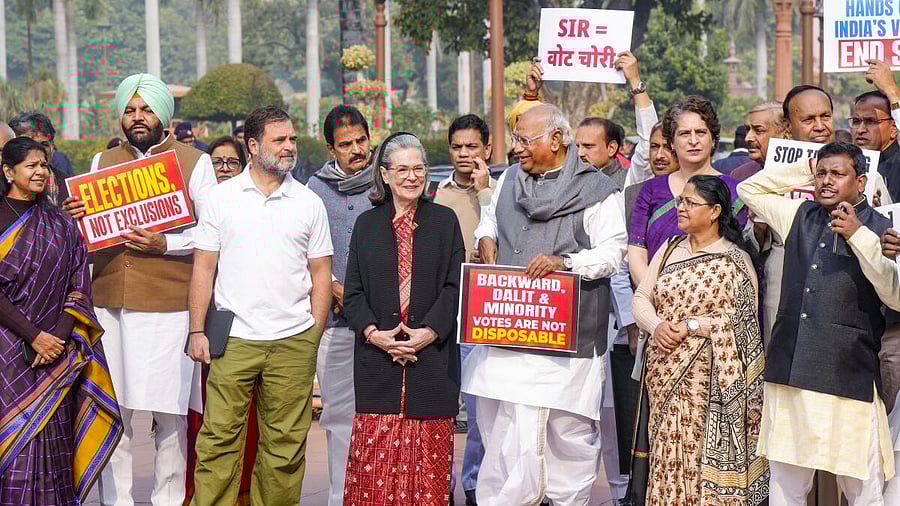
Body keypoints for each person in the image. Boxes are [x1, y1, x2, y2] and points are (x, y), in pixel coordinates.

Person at [61, 73, 217, 506]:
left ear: (163, 114)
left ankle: (168, 501)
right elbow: (85, 236)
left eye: (146, 109)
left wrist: (166, 243)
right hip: (111, 306)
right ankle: (118, 502)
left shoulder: (193, 162)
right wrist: (73, 216)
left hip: (170, 309)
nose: (137, 117)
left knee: (168, 417)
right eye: (130, 110)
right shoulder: (100, 162)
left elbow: (211, 234)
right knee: (118, 414)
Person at [467, 104, 627, 505]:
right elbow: (489, 218)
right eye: (516, 138)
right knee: (503, 434)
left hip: (566, 346)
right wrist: (485, 238)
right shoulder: (507, 181)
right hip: (505, 336)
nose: (516, 147)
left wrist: (565, 263)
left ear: (556, 140)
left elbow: (613, 253)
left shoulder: (597, 191)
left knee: (567, 439)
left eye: (525, 140)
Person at [739, 141, 900, 505]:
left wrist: (858, 234)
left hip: (849, 373)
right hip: (792, 372)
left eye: (837, 174)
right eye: (822, 174)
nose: (826, 181)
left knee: (863, 486)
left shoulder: (884, 228)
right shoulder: (798, 214)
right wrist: (804, 168)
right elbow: (749, 189)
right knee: (785, 484)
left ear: (861, 182)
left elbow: (894, 295)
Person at [189, 105, 332, 505]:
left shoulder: (308, 202)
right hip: (233, 339)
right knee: (218, 441)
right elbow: (203, 269)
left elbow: (321, 274)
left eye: (292, 139)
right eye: (279, 140)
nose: (290, 147)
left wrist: (312, 335)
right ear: (253, 146)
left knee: (285, 448)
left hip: (293, 340)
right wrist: (197, 331)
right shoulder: (221, 199)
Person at [342, 132, 464, 505]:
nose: (412, 177)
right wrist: (376, 335)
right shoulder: (367, 225)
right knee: (372, 472)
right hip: (378, 363)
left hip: (432, 362)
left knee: (428, 472)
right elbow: (353, 293)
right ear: (384, 173)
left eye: (419, 168)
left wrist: (427, 333)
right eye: (403, 169)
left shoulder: (445, 221)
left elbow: (455, 286)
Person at [0, 136, 123, 504]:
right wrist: (34, 336)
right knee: (13, 446)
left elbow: (78, 284)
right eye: (30, 166)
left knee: (55, 445)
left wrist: (57, 337)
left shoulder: (61, 223)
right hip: (8, 354)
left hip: (57, 353)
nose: (40, 172)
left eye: (44, 165)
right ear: (8, 172)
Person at [632, 174, 767, 504]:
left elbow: (742, 324)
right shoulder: (668, 249)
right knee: (666, 453)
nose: (681, 208)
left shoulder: (734, 260)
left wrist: (691, 325)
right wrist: (657, 325)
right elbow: (641, 297)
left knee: (696, 459)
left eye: (691, 203)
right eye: (681, 201)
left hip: (710, 380)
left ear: (715, 211)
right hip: (663, 370)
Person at [305, 104, 375, 506]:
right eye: (346, 144)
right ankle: (339, 496)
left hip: (382, 322)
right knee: (337, 416)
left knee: (379, 415)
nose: (356, 150)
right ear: (332, 148)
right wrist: (330, 285)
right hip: (333, 323)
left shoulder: (385, 183)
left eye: (361, 141)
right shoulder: (314, 190)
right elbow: (304, 248)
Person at [183, 134, 253, 505]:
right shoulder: (194, 209)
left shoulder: (253, 205)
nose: (224, 168)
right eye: (217, 162)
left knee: (248, 416)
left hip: (247, 327)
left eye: (232, 162)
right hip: (202, 323)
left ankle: (244, 491)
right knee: (201, 412)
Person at [434, 113, 495, 506]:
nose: (464, 154)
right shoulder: (436, 193)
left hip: (482, 313)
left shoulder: (501, 191)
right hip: (442, 315)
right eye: (457, 147)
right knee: (440, 408)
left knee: (479, 413)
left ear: (487, 149)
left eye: (472, 146)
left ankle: (475, 484)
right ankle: (441, 484)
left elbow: (496, 249)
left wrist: (485, 191)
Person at [628, 95, 747, 287]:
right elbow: (637, 253)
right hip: (655, 303)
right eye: (684, 134)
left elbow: (740, 256)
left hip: (716, 301)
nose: (693, 141)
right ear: (672, 142)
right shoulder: (652, 189)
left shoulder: (734, 191)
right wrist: (659, 298)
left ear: (713, 139)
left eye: (700, 132)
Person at [865, 59, 900, 417]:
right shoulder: (847, 167)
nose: (861, 129)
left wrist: (892, 91)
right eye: (854, 121)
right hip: (862, 322)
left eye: (871, 121)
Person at [8, 111, 71, 205]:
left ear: (52, 147)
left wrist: (65, 217)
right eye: (29, 144)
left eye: (44, 144)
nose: (38, 152)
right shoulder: (3, 187)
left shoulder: (70, 189)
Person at [731, 102, 786, 182]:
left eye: (759, 130)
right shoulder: (739, 175)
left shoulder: (804, 174)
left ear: (784, 132)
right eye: (747, 129)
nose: (747, 138)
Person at [576, 117, 627, 187]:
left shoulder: (628, 181)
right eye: (578, 146)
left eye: (588, 146)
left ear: (611, 148)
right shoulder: (572, 180)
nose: (580, 153)